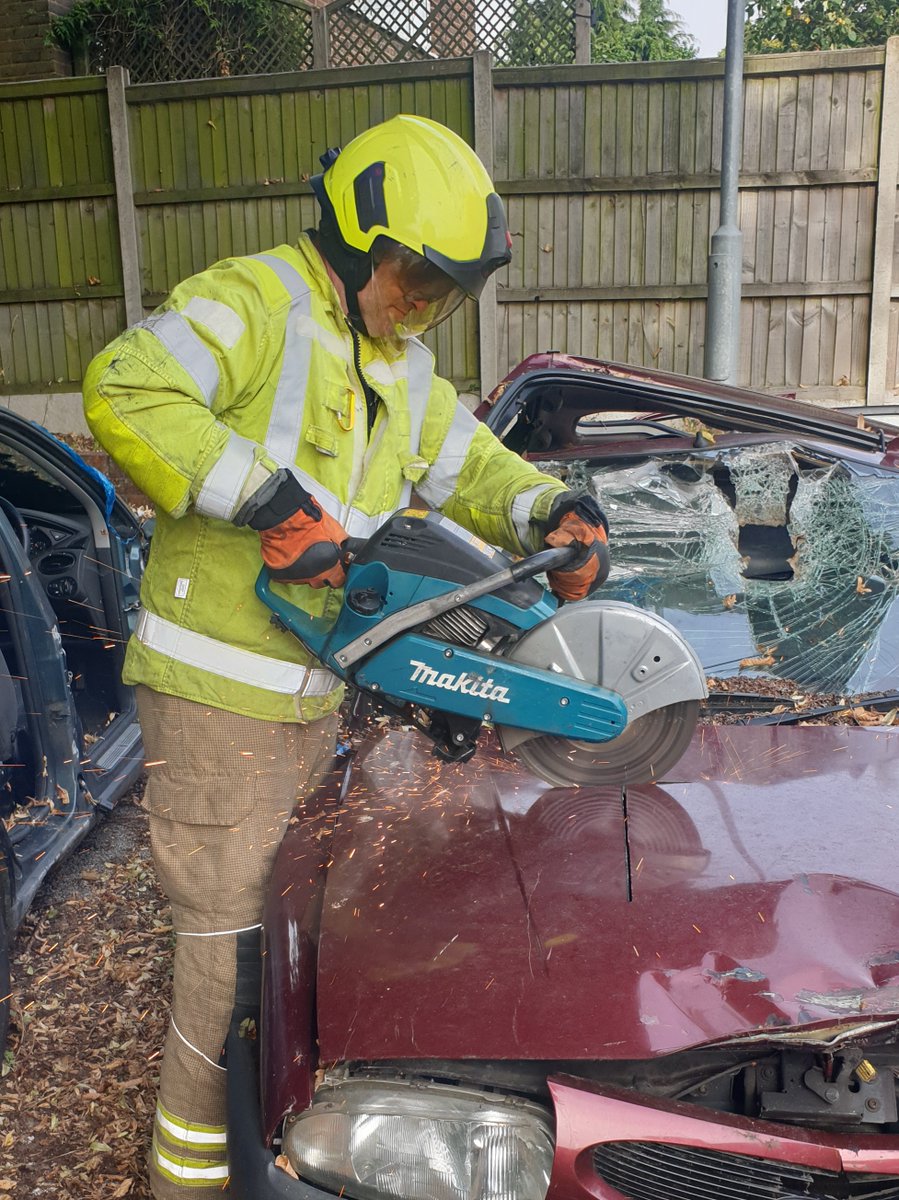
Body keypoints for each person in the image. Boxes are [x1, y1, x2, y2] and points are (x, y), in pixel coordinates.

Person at [82, 113, 609, 1199]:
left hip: (315, 698)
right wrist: (264, 497)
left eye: (441, 290)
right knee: (224, 953)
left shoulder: (396, 364)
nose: (423, 305)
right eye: (415, 278)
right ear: (358, 238)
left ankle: (270, 1137)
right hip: (218, 696)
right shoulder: (252, 301)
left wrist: (548, 508)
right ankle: (190, 1180)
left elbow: (470, 464)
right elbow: (125, 389)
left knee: (283, 954)